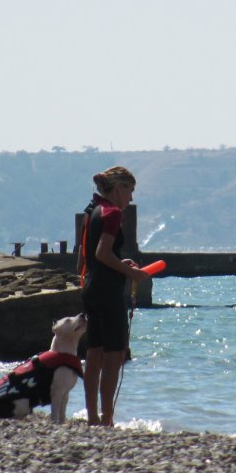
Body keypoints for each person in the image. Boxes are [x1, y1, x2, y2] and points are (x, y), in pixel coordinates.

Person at [81, 166, 149, 426]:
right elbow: (102, 253)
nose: (131, 198)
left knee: (94, 353)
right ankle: (107, 417)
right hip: (108, 291)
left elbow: (86, 257)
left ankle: (92, 417)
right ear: (119, 188)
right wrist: (130, 273)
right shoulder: (112, 213)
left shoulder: (93, 211)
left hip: (91, 287)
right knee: (114, 355)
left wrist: (121, 262)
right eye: (130, 191)